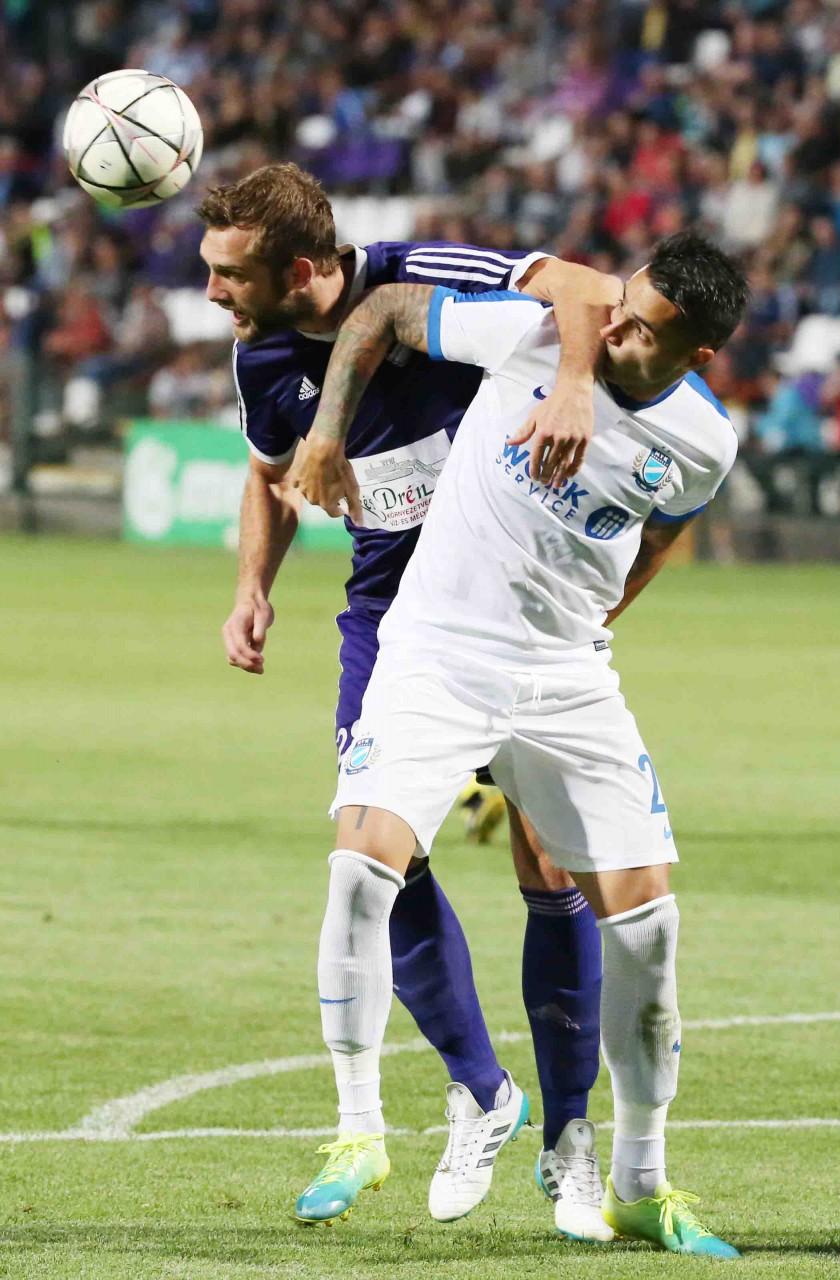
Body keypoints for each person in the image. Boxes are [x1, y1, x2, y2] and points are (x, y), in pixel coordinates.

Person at [292, 231, 748, 1257]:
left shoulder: (705, 440)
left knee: (649, 925)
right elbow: (382, 310)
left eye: (644, 329)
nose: (615, 328)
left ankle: (638, 1184)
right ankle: (359, 1130)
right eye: (622, 305)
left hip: (567, 676)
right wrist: (326, 433)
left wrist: (594, 620)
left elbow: (661, 532)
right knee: (361, 868)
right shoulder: (533, 338)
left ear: (699, 354)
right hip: (437, 653)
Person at [197, 162, 624, 1240]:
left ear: (300, 268)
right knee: (378, 858)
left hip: (510, 612)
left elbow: (585, 287)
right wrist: (252, 586)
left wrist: (572, 386)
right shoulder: (259, 354)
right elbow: (267, 476)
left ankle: (570, 1136)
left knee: (548, 862)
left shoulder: (425, 273)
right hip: (392, 623)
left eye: (228, 274)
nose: (211, 293)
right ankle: (480, 1090)